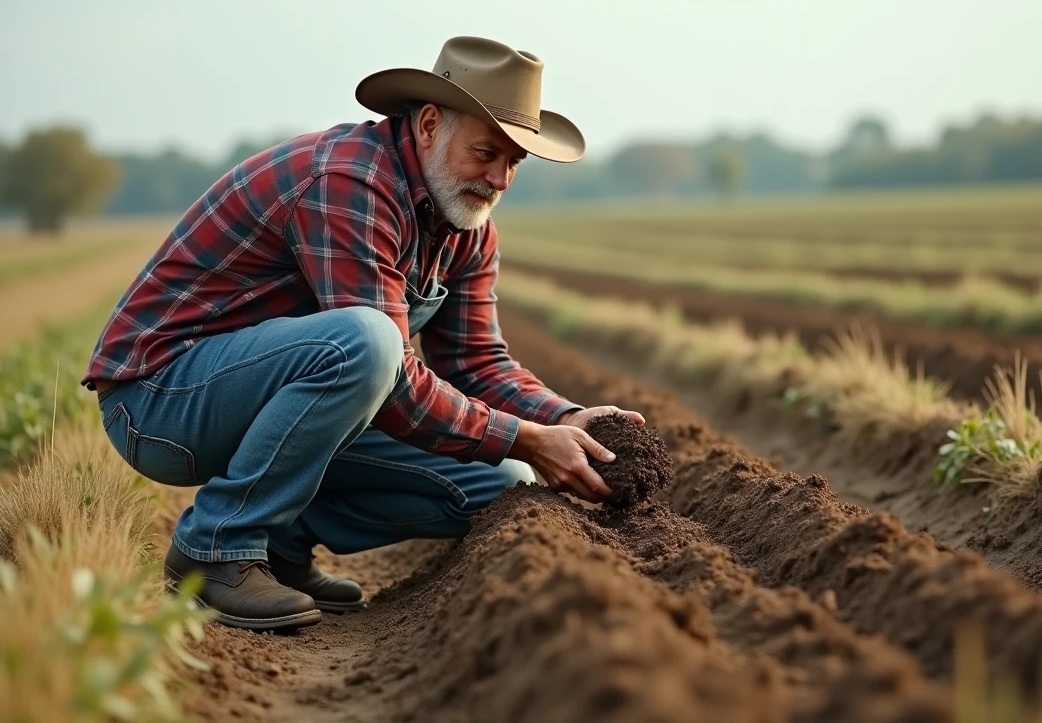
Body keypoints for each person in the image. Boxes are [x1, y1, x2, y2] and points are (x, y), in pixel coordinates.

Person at [82, 36, 643, 631]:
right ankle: (215, 550)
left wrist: (563, 419)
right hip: (162, 403)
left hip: (269, 403)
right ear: (429, 125)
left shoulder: (467, 225)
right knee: (369, 342)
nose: (499, 177)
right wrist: (526, 436)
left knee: (503, 480)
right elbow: (393, 379)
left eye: (514, 162)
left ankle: (279, 542)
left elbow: (477, 362)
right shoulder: (350, 181)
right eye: (486, 153)